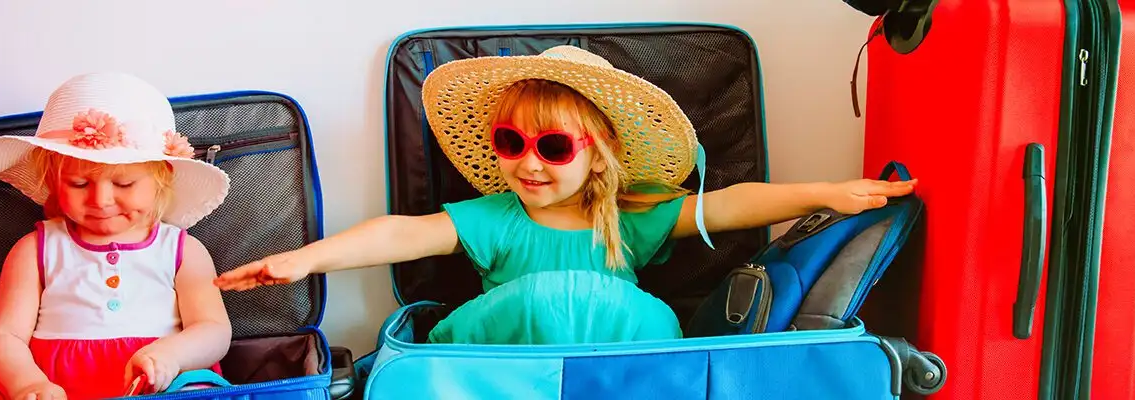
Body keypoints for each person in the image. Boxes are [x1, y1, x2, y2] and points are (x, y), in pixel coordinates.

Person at [214, 46, 916, 345]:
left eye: (551, 148)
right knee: (549, 296)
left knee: (628, 313)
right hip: (507, 358)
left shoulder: (630, 217)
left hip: (611, 360)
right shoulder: (497, 217)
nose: (527, 164)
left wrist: (830, 190)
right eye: (509, 143)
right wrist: (307, 259)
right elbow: (402, 233)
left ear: (601, 156)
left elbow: (732, 206)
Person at [0, 73, 235, 400]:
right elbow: (4, 335)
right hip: (56, 386)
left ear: (161, 178)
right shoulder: (35, 250)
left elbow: (214, 330)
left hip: (160, 382)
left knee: (200, 390)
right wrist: (27, 384)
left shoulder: (182, 250)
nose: (101, 200)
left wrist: (171, 356)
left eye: (124, 184)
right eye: (79, 184)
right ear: (54, 183)